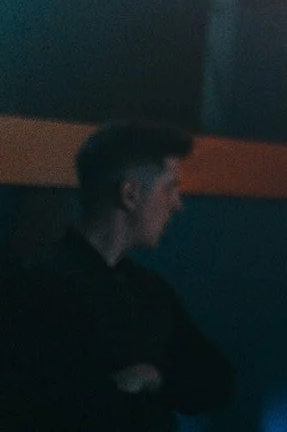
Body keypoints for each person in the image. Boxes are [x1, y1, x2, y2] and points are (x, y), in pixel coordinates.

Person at [0, 121, 233, 431]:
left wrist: (155, 377)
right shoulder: (34, 292)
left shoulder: (150, 291)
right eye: (169, 187)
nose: (177, 204)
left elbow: (218, 382)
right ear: (130, 194)